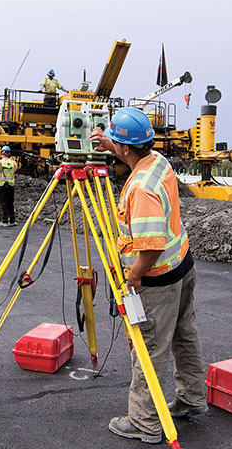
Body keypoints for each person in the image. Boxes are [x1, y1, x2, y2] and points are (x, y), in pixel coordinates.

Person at [90, 107, 207, 444]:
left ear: (126, 148)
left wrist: (134, 277)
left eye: (115, 141)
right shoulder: (156, 161)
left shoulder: (139, 188)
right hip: (182, 264)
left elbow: (152, 246)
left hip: (158, 276)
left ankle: (144, 422)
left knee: (149, 347)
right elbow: (130, 151)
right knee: (184, 333)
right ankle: (191, 399)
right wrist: (111, 144)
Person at [0, 146, 18, 227]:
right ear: (9, 154)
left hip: (1, 185)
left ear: (2, 153)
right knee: (10, 203)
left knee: (3, 203)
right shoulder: (14, 163)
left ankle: (4, 221)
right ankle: (12, 221)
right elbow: (14, 172)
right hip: (11, 186)